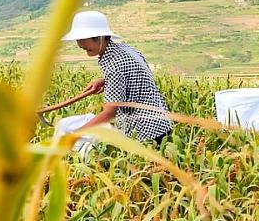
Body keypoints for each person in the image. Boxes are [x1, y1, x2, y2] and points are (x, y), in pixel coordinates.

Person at [54, 10, 173, 148]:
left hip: (144, 134)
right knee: (64, 125)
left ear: (99, 37)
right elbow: (132, 75)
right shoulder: (125, 49)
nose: (79, 44)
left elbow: (109, 113)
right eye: (78, 39)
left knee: (79, 142)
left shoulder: (114, 66)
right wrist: (105, 80)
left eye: (82, 38)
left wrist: (75, 135)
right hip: (160, 125)